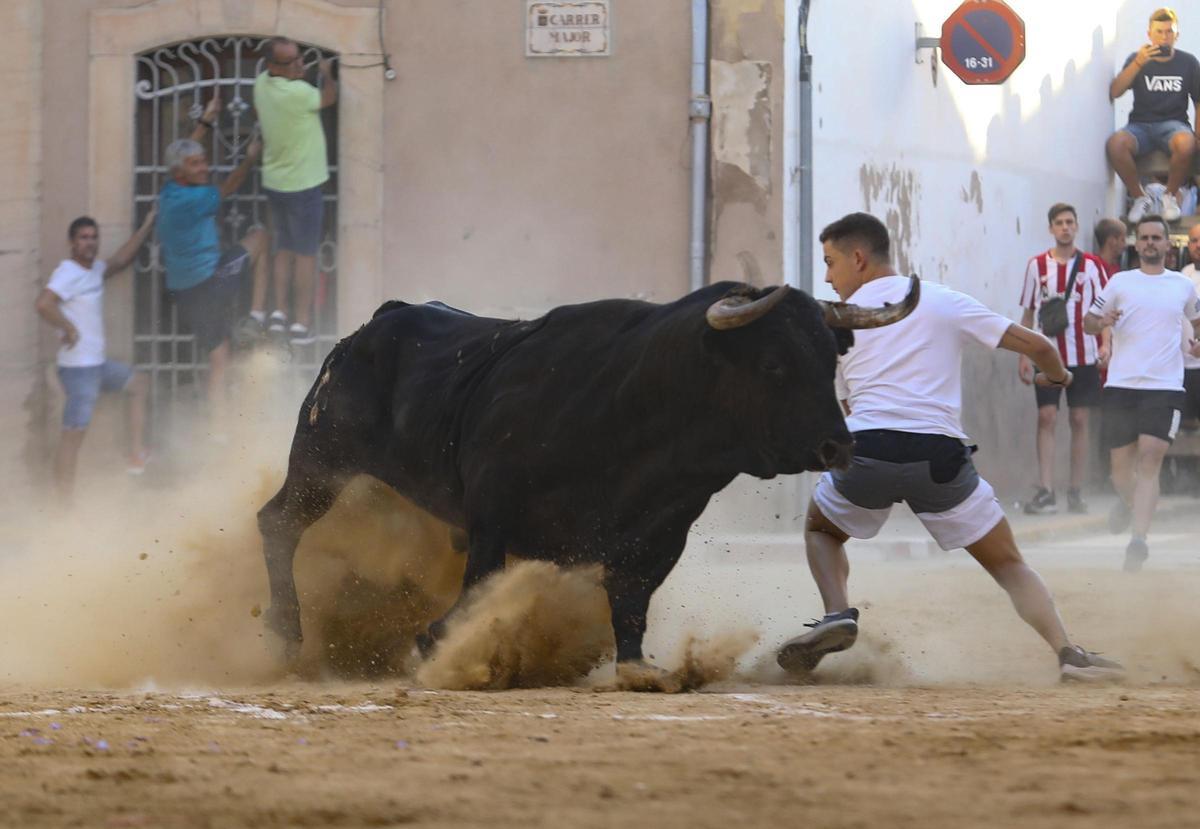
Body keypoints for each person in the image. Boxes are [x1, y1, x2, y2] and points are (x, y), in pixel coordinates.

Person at [777, 212, 1123, 682]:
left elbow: (846, 405)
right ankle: (1068, 653)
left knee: (821, 531)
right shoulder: (942, 300)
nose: (827, 277)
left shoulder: (835, 325)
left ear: (858, 258)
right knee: (1009, 565)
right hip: (939, 458)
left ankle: (837, 613)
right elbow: (1040, 346)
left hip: (867, 451)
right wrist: (1057, 377)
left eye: (830, 262)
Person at [1086, 214, 1200, 571]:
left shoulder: (1182, 286)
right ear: (1137, 244)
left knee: (1150, 459)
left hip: (1165, 388)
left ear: (1167, 245)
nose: (1150, 243)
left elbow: (1197, 322)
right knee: (1120, 472)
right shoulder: (1120, 282)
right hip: (1121, 386)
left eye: (1156, 237)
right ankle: (1128, 502)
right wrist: (1101, 322)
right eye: (1145, 237)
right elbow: (1089, 321)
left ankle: (1138, 540)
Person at [157, 95, 270, 436]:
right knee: (261, 238)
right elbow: (229, 187)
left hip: (185, 293)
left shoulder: (169, 191)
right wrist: (250, 158)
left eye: (203, 161)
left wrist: (205, 122)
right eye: (196, 165)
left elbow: (184, 154)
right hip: (211, 282)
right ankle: (256, 316)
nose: (203, 167)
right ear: (181, 172)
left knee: (219, 359)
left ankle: (218, 433)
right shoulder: (192, 199)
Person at [35, 212, 156, 503]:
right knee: (73, 435)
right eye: (83, 238)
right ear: (72, 243)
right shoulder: (68, 272)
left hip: (97, 366)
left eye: (93, 237)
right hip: (79, 370)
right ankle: (63, 504)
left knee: (139, 383)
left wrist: (147, 225)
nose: (90, 242)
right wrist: (67, 327)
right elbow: (43, 304)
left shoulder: (93, 270)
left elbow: (120, 260)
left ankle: (136, 455)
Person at [1017, 204, 1109, 515]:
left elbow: (1104, 312)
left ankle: (1075, 489)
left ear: (1076, 226)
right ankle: (1046, 489)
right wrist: (1023, 354)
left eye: (1070, 222)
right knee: (1046, 417)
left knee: (1080, 419)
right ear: (1051, 228)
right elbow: (1028, 313)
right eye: (1059, 223)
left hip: (1083, 355)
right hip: (1046, 354)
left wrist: (1106, 345)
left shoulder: (1091, 266)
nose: (1065, 227)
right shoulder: (1036, 266)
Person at [253, 37, 337, 345]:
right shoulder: (299, 94)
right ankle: (302, 323)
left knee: (283, 249)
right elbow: (329, 97)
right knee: (305, 255)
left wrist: (298, 71)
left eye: (300, 58)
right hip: (303, 185)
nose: (300, 64)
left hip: (275, 183)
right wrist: (326, 73)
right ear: (274, 65)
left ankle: (279, 312)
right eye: (292, 62)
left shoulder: (261, 85)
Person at [1106, 7, 1200, 224]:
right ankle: (1140, 198)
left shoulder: (1188, 62)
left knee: (1186, 143)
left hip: (1174, 125)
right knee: (1115, 144)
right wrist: (1138, 63)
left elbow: (1198, 101)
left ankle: (1169, 197)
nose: (1164, 37)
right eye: (1159, 32)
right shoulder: (1136, 59)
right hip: (1140, 125)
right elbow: (1115, 91)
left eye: (1169, 32)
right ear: (1149, 34)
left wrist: (1198, 135)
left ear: (1176, 35)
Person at [1179, 222, 1200, 427]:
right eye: (1194, 240)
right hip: (1184, 366)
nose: (1198, 245)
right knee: (1186, 426)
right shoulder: (1184, 273)